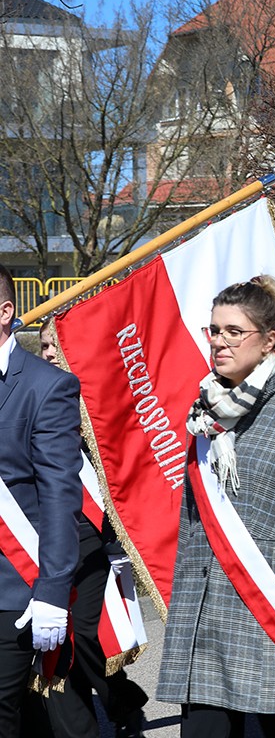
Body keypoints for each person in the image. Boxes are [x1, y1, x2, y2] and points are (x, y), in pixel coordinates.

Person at [157, 276, 275, 738]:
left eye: (234, 332)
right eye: (215, 330)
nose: (219, 341)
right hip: (204, 612)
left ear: (269, 340)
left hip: (270, 610)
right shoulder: (204, 410)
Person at [38, 320, 148, 738]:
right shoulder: (36, 390)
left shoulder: (98, 395)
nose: (50, 352)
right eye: (44, 346)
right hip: (46, 532)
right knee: (55, 640)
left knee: (86, 633)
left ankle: (122, 700)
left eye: (56, 345)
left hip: (93, 533)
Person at [0, 264, 83, 738]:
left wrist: (52, 588)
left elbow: (57, 493)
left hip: (11, 588)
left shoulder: (45, 385)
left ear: (5, 312)